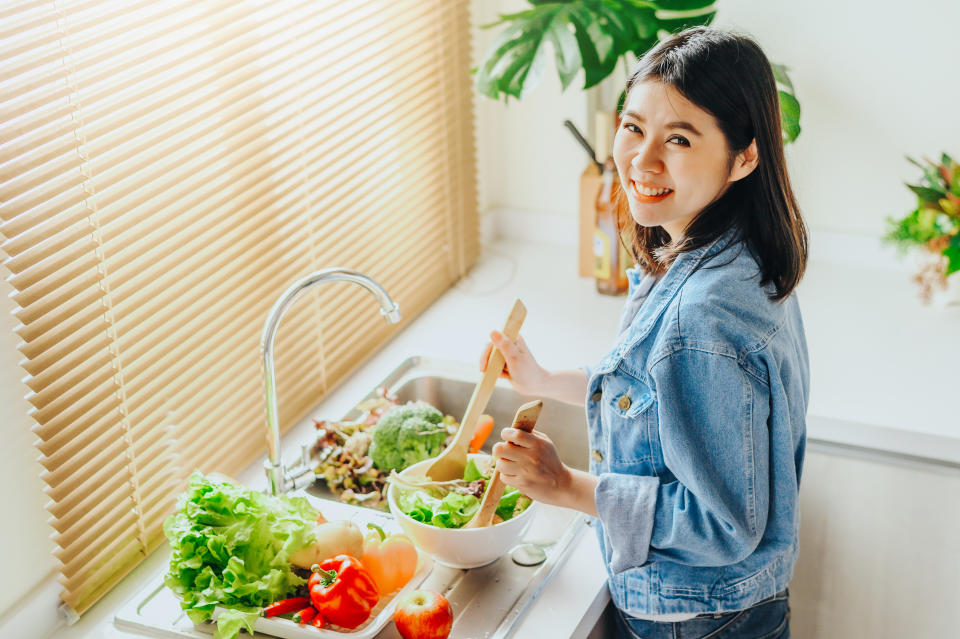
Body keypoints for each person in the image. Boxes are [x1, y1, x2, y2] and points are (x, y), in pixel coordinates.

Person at [480, 26, 809, 639]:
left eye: (679, 139)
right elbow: (653, 399)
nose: (642, 159)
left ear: (746, 155)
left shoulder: (703, 319)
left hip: (696, 619)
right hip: (730, 607)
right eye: (633, 127)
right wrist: (542, 379)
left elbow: (722, 525)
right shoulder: (732, 250)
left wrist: (566, 485)